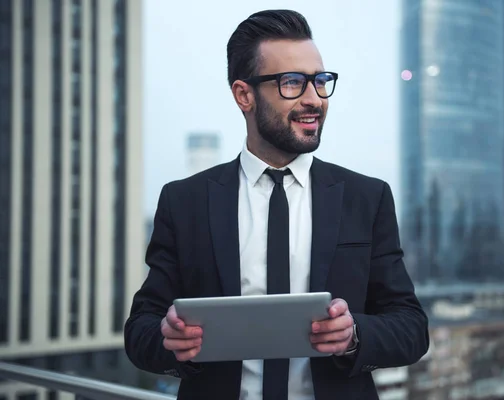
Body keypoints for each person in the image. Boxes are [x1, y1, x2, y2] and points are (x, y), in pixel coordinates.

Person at [124, 9, 429, 400]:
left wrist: (354, 334)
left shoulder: (366, 198)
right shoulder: (185, 202)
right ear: (243, 95)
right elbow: (140, 331)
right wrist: (170, 340)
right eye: (292, 83)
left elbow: (411, 327)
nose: (314, 99)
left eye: (320, 82)